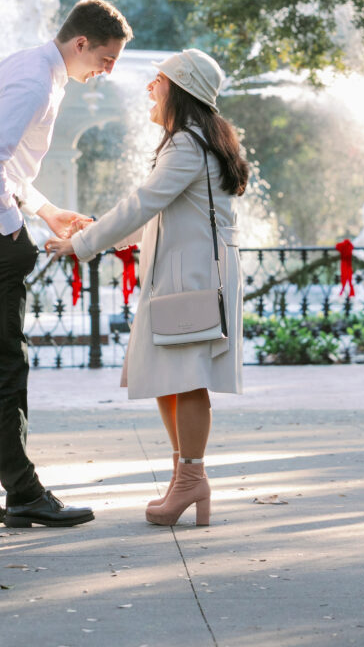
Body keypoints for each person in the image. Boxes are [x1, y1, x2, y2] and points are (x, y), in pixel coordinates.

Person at [0, 0, 132, 528]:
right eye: (106, 59)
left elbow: (3, 163)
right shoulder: (35, 83)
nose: (108, 72)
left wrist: (45, 211)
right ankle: (22, 492)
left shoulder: (28, 68)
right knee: (3, 362)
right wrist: (12, 230)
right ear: (81, 43)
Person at [46, 49, 248, 527]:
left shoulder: (185, 145)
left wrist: (83, 243)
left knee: (188, 375)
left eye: (157, 80)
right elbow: (158, 213)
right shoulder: (194, 143)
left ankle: (191, 477)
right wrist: (97, 229)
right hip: (187, 274)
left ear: (179, 89)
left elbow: (142, 203)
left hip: (193, 277)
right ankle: (186, 475)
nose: (148, 87)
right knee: (163, 375)